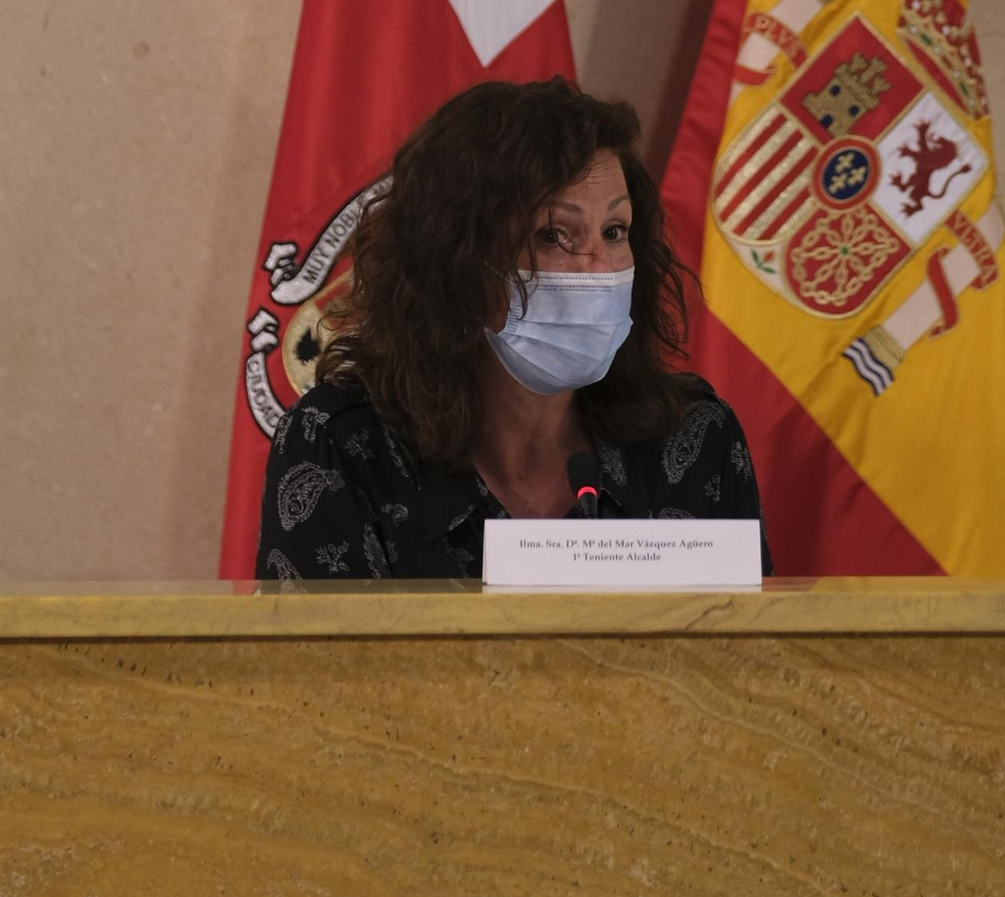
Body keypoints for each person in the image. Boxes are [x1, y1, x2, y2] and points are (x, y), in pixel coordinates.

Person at [255, 77, 769, 582]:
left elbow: (757, 660)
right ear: (459, 261)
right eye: (553, 235)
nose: (599, 268)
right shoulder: (343, 447)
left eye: (614, 232)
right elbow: (321, 665)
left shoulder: (696, 438)